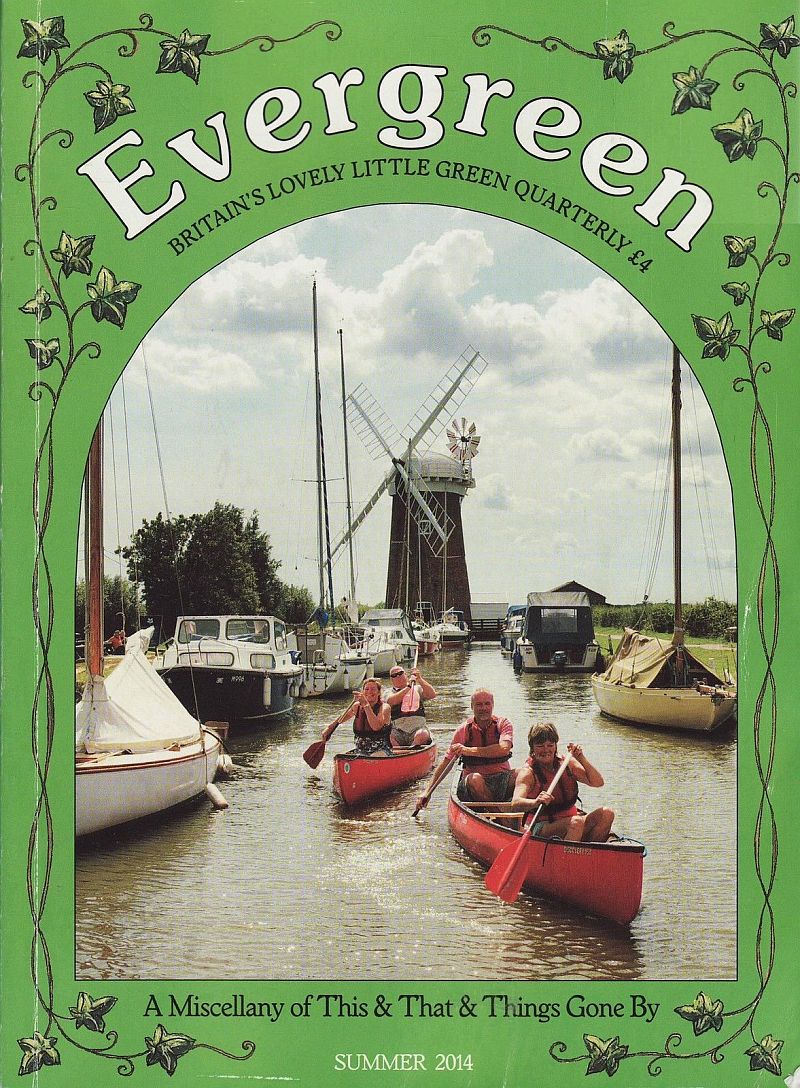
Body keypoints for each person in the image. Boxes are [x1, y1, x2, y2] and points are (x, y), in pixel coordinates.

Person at [511, 722, 614, 842]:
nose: (546, 750)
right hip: (541, 826)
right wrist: (535, 802)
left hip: (573, 822)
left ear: (555, 746)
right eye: (540, 746)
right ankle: (568, 853)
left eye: (550, 745)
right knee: (576, 822)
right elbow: (515, 803)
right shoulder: (528, 773)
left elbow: (598, 782)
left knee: (607, 813)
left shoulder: (567, 764)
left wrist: (581, 758)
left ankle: (587, 850)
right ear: (532, 747)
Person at [416, 688, 515, 809]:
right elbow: (446, 763)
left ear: (492, 705)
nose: (483, 708)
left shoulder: (503, 724)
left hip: (500, 779)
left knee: (524, 773)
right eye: (479, 704)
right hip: (473, 783)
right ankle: (500, 816)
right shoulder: (463, 730)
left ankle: (524, 811)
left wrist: (467, 750)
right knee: (475, 779)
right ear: (472, 706)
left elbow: (504, 748)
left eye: (487, 704)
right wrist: (427, 791)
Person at [319, 678, 392, 755]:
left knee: (375, 755)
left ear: (379, 692)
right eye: (366, 689)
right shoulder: (357, 706)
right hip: (360, 751)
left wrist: (366, 705)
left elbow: (376, 727)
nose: (369, 692)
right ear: (362, 692)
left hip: (381, 750)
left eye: (373, 689)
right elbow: (342, 717)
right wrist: (329, 728)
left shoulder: (384, 707)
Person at [386, 664, 435, 747]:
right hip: (398, 730)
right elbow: (392, 701)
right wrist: (409, 687)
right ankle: (397, 752)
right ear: (391, 679)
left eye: (400, 673)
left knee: (422, 734)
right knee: (388, 738)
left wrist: (419, 679)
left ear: (405, 675)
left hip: (417, 728)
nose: (398, 676)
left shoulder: (417, 688)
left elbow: (432, 695)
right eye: (394, 675)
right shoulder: (388, 693)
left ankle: (413, 748)